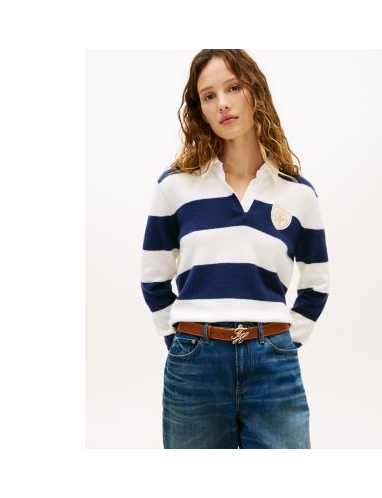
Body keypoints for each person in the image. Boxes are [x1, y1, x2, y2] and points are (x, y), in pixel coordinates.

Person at [141, 49, 329, 449]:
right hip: (194, 368)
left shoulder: (298, 195)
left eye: (233, 87)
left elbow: (316, 285)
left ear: (255, 91)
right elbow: (153, 279)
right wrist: (183, 341)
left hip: (274, 369)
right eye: (209, 96)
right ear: (200, 110)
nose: (222, 103)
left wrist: (282, 344)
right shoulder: (175, 187)